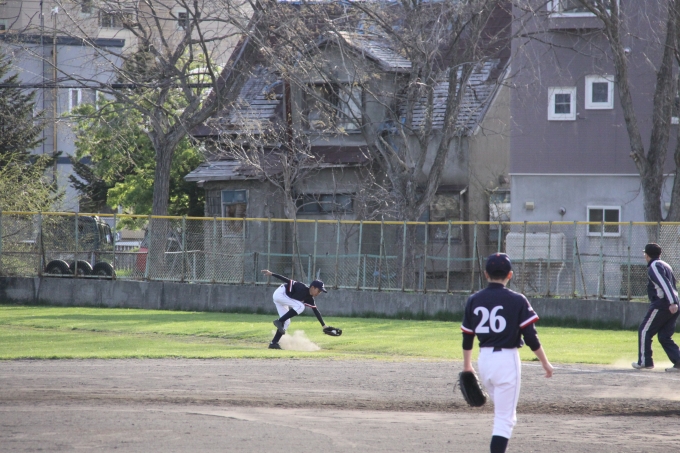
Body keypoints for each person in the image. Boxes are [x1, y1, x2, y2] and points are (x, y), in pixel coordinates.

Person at [461, 253, 553, 453]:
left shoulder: (474, 299)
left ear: (486, 274)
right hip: (506, 362)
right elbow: (530, 337)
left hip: (484, 361)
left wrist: (467, 366)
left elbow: (467, 336)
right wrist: (545, 362)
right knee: (505, 419)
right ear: (510, 275)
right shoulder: (517, 300)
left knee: (502, 415)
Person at [632, 243, 680, 371]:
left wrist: (672, 302)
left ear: (647, 255)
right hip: (673, 302)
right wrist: (674, 301)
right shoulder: (665, 264)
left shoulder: (654, 266)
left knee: (644, 331)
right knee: (664, 336)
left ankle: (645, 361)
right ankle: (679, 361)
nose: (644, 256)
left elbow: (665, 284)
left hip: (663, 304)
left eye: (645, 253)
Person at [261, 269, 328, 349]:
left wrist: (324, 326)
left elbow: (316, 311)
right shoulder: (301, 287)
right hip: (280, 293)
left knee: (287, 322)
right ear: (313, 287)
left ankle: (273, 343)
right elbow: (286, 280)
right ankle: (279, 321)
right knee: (300, 306)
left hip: (282, 300)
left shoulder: (310, 299)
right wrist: (272, 274)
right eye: (319, 290)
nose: (319, 293)